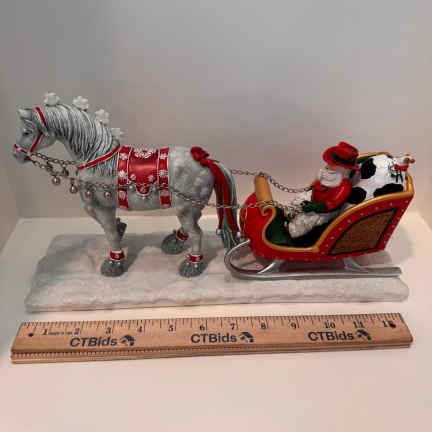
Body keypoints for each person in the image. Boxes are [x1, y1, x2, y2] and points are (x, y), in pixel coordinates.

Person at [286, 141, 360, 239]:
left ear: (344, 169)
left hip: (325, 211)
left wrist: (314, 207)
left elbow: (332, 203)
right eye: (329, 163)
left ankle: (293, 232)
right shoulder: (329, 176)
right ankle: (289, 215)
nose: (328, 166)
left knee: (307, 221)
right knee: (298, 200)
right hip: (313, 201)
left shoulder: (344, 186)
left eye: (333, 165)